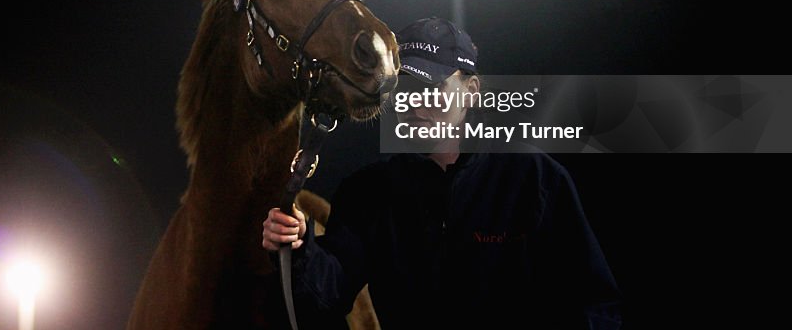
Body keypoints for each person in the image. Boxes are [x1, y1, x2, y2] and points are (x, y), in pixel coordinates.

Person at [263, 17, 622, 328]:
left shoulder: (534, 179)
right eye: (405, 88)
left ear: (471, 92)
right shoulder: (368, 192)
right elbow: (327, 296)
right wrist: (296, 246)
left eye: (433, 88)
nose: (415, 103)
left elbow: (595, 303)